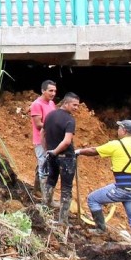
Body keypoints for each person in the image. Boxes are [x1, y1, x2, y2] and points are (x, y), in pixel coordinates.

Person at [77, 119, 131, 243]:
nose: (118, 130)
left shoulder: (116, 145)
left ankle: (100, 229)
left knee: (93, 199)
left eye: (119, 128)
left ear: (124, 130)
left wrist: (78, 151)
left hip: (121, 189)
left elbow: (93, 151)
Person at [41, 92, 81, 225]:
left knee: (50, 181)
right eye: (74, 105)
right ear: (66, 103)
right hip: (66, 158)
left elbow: (43, 134)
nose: (76, 108)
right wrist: (56, 151)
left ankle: (43, 211)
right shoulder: (69, 120)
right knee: (66, 188)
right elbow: (66, 142)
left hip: (52, 156)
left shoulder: (50, 115)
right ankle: (62, 220)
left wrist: (48, 151)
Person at [30, 80, 58, 187]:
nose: (53, 93)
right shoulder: (37, 104)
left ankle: (38, 190)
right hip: (40, 140)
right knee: (44, 168)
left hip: (50, 139)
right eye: (50, 91)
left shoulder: (51, 103)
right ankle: (45, 197)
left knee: (44, 165)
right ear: (43, 90)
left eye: (55, 91)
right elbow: (38, 124)